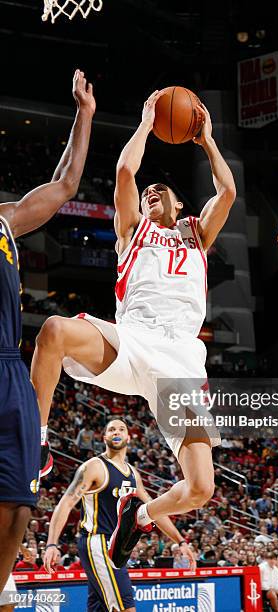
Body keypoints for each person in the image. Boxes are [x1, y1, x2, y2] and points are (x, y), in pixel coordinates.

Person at [31, 89, 236, 565]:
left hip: (182, 358)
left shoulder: (197, 236)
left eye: (160, 190)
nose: (150, 191)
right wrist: (146, 123)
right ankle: (37, 441)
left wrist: (206, 141)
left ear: (182, 206)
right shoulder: (132, 230)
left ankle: (139, 518)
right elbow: (126, 171)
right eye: (148, 193)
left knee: (201, 488)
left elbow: (227, 191)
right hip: (133, 340)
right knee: (54, 332)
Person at [0, 69, 95, 594]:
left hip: (11, 370)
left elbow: (65, 185)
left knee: (18, 506)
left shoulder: (6, 220)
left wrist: (83, 113)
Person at [43, 419, 196, 612]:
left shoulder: (133, 474)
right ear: (105, 437)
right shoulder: (93, 467)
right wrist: (51, 544)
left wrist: (181, 541)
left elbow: (154, 510)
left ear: (128, 437)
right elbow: (66, 503)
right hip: (97, 542)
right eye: (112, 429)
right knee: (126, 608)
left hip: (116, 546)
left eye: (121, 429)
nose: (116, 432)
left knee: (100, 608)